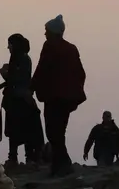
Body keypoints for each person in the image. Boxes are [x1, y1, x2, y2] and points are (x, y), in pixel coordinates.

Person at [31, 14, 86, 177]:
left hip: (54, 97)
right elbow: (80, 73)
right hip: (67, 98)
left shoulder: (50, 46)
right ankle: (59, 164)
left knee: (53, 131)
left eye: (46, 31)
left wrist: (32, 87)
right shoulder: (71, 48)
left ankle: (62, 164)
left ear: (53, 32)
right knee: (58, 131)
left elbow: (42, 69)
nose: (45, 34)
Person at [0, 33, 44, 166]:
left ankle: (25, 157)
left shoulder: (22, 59)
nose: (8, 47)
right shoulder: (20, 58)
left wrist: (5, 74)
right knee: (17, 130)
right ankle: (16, 157)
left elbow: (18, 79)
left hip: (20, 100)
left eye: (10, 44)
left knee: (22, 130)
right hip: (16, 100)